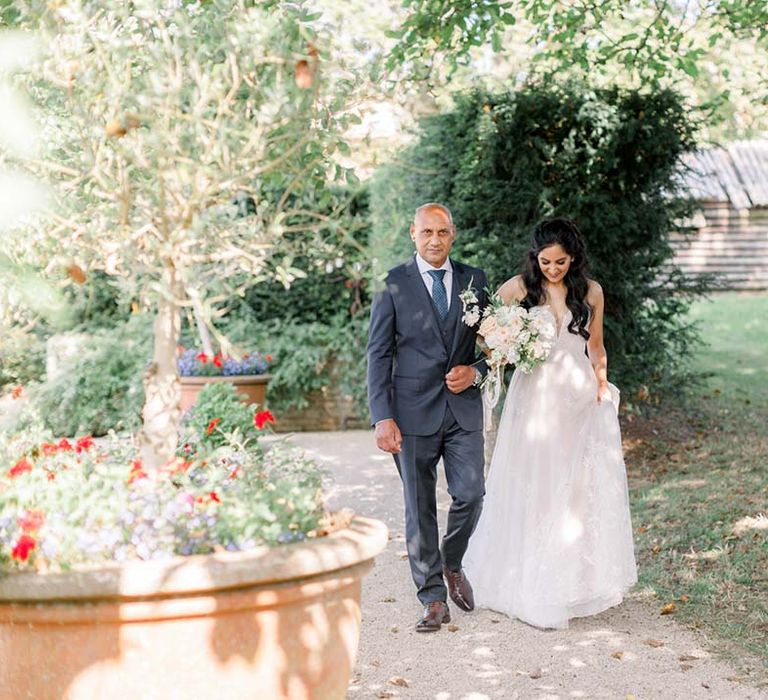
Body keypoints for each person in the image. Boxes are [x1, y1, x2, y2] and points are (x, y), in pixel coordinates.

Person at [463, 217, 637, 630]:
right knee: (536, 480)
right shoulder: (520, 287)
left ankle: (572, 580)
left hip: (577, 398)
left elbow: (596, 346)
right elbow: (484, 333)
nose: (553, 269)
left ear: (572, 258)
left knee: (574, 487)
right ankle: (531, 578)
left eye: (560, 262)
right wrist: (506, 347)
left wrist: (600, 384)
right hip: (535, 397)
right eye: (546, 262)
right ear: (535, 257)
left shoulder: (590, 291)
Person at [367, 202, 489, 632]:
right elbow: (378, 353)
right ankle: (433, 597)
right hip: (411, 412)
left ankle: (452, 562)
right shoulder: (393, 285)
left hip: (462, 409)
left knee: (471, 493)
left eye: (442, 232)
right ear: (412, 234)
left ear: (453, 234)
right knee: (419, 509)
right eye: (427, 233)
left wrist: (476, 371)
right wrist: (382, 416)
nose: (435, 240)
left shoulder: (477, 280)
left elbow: (494, 345)